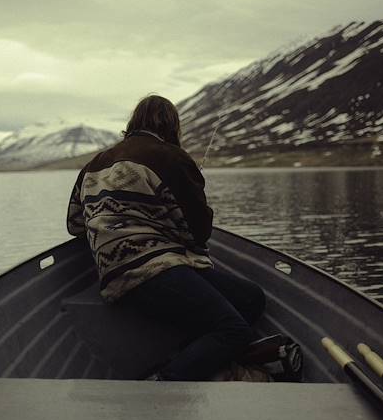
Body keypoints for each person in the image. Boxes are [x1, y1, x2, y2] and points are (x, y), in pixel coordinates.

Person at [65, 94, 268, 381]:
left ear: (133, 123)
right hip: (153, 271)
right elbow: (198, 234)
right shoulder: (170, 157)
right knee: (234, 329)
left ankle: (193, 358)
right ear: (172, 126)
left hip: (113, 275)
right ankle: (164, 381)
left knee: (251, 298)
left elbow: (75, 224)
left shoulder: (93, 166)